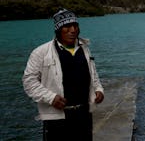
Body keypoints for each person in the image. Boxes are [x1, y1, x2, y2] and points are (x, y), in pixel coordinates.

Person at [23, 9, 104, 141]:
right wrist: (51, 98)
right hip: (57, 118)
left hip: (84, 114)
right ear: (58, 29)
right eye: (67, 26)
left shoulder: (84, 48)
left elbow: (93, 75)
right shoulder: (41, 52)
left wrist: (99, 89)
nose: (73, 30)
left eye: (75, 25)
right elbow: (29, 82)